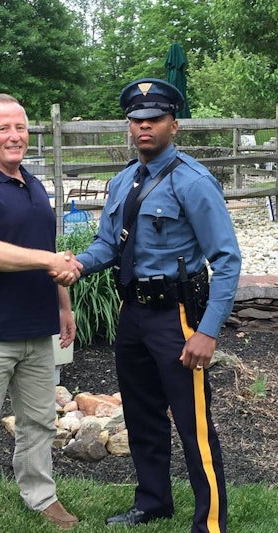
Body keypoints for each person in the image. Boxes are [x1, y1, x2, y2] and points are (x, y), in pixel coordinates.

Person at [59, 78, 242, 533]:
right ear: (129, 126)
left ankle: (210, 522)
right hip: (134, 315)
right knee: (141, 415)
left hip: (178, 317)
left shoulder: (193, 181)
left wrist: (208, 331)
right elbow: (107, 245)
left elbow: (227, 259)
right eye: (137, 120)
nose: (144, 127)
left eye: (154, 119)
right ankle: (154, 501)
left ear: (173, 124)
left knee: (192, 422)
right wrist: (78, 264)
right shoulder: (122, 181)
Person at [0, 94, 82, 533]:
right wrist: (49, 262)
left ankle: (40, 494)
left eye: (21, 127)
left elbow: (49, 253)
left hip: (38, 327)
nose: (14, 136)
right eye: (3, 128)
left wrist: (63, 306)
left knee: (39, 422)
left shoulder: (35, 185)